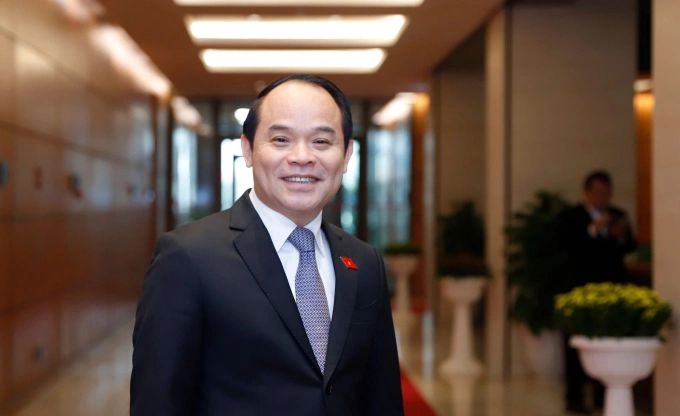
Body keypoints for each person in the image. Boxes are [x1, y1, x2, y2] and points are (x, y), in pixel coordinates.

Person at [130, 74, 404, 416]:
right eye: (281, 139)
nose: (302, 157)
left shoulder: (364, 261)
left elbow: (382, 397)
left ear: (347, 154)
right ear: (247, 149)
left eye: (321, 141)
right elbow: (158, 400)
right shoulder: (187, 257)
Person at [558, 170, 637, 413]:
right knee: (577, 344)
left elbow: (630, 247)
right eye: (599, 191)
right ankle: (575, 397)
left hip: (610, 289)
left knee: (607, 341)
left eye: (607, 192)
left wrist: (620, 238)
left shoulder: (618, 215)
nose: (604, 197)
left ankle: (604, 396)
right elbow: (568, 246)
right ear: (587, 192)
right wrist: (593, 229)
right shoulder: (572, 216)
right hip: (580, 288)